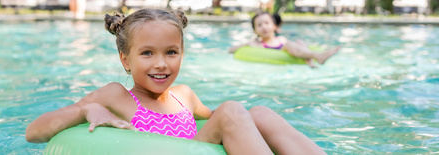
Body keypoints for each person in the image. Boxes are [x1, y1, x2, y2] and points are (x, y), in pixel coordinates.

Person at [25, 9, 326, 155]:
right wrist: (86, 110)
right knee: (234, 109)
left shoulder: (184, 96)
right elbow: (33, 133)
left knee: (258, 112)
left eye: (171, 52)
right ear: (125, 60)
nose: (161, 63)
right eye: (147, 53)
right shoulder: (116, 96)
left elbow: (230, 124)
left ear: (182, 53)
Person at [229, 12, 341, 68]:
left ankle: (310, 58)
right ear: (255, 31)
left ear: (274, 26)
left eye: (267, 23)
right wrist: (246, 44)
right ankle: (317, 57)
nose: (264, 27)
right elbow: (231, 50)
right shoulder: (256, 43)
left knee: (298, 42)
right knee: (289, 45)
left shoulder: (281, 39)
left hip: (290, 50)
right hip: (277, 55)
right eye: (259, 25)